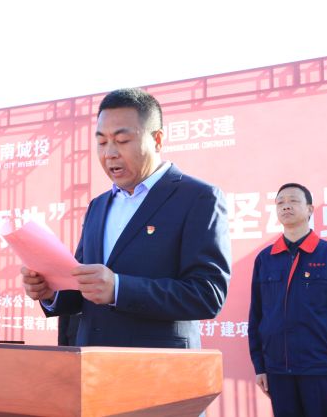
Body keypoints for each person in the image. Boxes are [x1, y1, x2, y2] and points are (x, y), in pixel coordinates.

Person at [22, 87, 231, 349]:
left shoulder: (198, 198)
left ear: (157, 140)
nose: (109, 153)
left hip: (157, 365)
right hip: (93, 361)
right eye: (101, 142)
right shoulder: (98, 205)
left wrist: (119, 289)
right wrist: (51, 291)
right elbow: (83, 288)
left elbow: (207, 294)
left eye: (121, 140)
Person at [248, 183, 327, 417]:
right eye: (280, 202)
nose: (286, 206)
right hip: (278, 371)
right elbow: (257, 316)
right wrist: (260, 366)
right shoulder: (265, 259)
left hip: (321, 369)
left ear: (310, 209)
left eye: (293, 200)